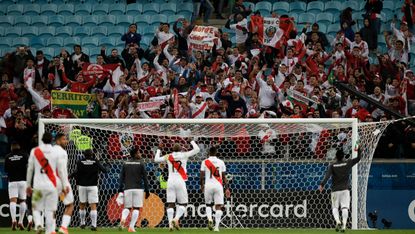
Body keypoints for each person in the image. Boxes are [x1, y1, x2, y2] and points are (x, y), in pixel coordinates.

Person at [26, 132, 69, 234]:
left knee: (35, 207)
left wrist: (28, 185)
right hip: (52, 187)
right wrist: (64, 185)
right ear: (52, 140)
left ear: (41, 139)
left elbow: (30, 169)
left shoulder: (35, 151)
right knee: (50, 211)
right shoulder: (56, 152)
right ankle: (49, 231)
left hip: (38, 187)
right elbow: (61, 171)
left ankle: (38, 224)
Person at [154, 140, 200, 231]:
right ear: (181, 149)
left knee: (170, 204)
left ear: (172, 149)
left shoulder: (168, 156)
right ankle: (176, 219)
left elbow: (156, 160)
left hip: (170, 181)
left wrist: (159, 149)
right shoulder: (184, 155)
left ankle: (170, 224)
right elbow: (197, 149)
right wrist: (191, 140)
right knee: (183, 204)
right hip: (180, 181)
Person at [319, 146, 362, 232]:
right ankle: (344, 225)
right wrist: (359, 150)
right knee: (345, 207)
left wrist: (322, 184)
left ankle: (338, 221)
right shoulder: (348, 163)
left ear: (336, 156)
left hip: (335, 190)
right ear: (343, 156)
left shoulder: (332, 165)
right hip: (345, 190)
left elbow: (327, 176)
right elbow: (358, 158)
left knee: (335, 207)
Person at [70, 149, 108, 231]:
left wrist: (70, 176)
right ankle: (94, 225)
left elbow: (77, 172)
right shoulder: (95, 161)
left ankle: (82, 223)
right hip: (92, 186)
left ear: (84, 155)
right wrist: (107, 165)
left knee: (82, 204)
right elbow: (104, 170)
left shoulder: (80, 162)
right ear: (92, 154)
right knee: (93, 205)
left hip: (82, 186)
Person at [118, 147, 150, 233]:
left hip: (127, 188)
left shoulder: (125, 163)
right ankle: (131, 227)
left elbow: (121, 178)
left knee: (127, 207)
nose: (140, 154)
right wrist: (147, 190)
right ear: (135, 154)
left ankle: (123, 219)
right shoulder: (141, 163)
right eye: (139, 152)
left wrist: (120, 190)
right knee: (136, 208)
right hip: (138, 189)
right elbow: (145, 178)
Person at [200, 146, 230, 232]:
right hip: (218, 186)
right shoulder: (221, 162)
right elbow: (224, 177)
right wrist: (227, 188)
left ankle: (210, 219)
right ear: (216, 153)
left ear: (209, 153)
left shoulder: (204, 162)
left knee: (208, 205)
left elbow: (201, 176)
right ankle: (216, 227)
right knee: (218, 207)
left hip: (208, 186)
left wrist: (201, 185)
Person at [5, 142, 28, 230]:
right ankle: (21, 222)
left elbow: (6, 169)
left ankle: (13, 220)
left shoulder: (7, 157)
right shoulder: (25, 155)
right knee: (22, 201)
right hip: (23, 181)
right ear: (19, 147)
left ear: (11, 148)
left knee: (13, 201)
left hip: (12, 181)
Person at [54, 133, 74, 234]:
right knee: (70, 204)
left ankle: (52, 229)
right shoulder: (62, 152)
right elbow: (61, 170)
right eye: (63, 139)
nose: (66, 141)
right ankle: (63, 227)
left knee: (52, 207)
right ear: (57, 141)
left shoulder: (49, 151)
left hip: (50, 182)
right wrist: (65, 184)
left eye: (66, 139)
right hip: (60, 182)